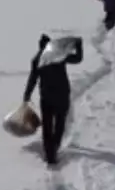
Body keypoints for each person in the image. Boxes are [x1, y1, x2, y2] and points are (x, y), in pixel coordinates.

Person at [23, 34, 83, 165]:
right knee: (60, 123)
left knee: (47, 126)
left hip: (46, 97)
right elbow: (78, 59)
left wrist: (27, 95)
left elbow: (33, 79)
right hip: (62, 95)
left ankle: (49, 153)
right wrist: (79, 45)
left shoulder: (37, 59)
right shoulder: (58, 56)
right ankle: (54, 147)